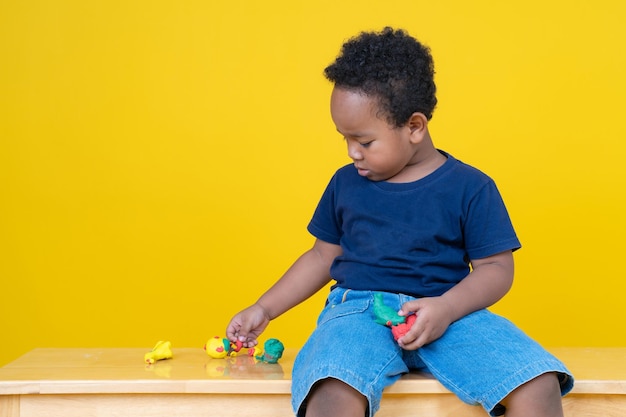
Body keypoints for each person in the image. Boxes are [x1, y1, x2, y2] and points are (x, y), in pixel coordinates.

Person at [226, 27, 573, 417]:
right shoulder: (345, 183)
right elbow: (322, 256)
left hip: (451, 312)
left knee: (538, 381)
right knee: (332, 382)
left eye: (365, 141)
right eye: (344, 139)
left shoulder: (471, 187)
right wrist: (264, 308)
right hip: (358, 312)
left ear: (414, 127)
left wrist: (445, 309)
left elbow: (496, 268)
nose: (352, 152)